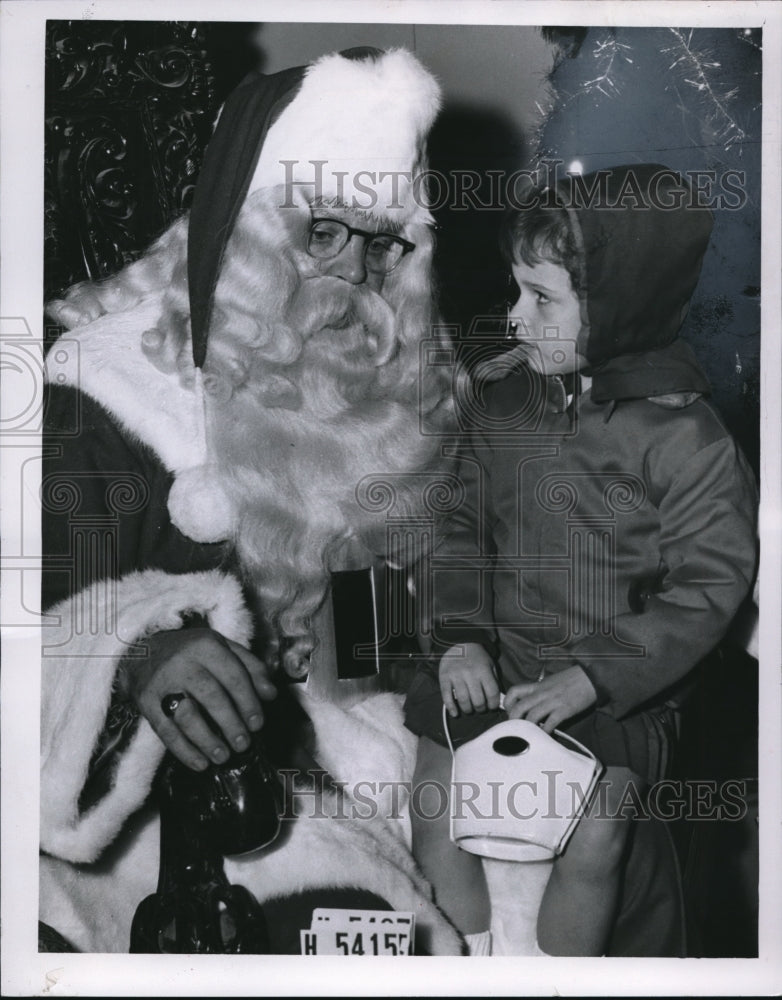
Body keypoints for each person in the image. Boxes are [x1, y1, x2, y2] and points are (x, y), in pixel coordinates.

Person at [39, 46, 464, 955]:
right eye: (321, 234)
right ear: (247, 224)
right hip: (139, 816)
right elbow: (32, 621)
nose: (352, 279)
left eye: (381, 244)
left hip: (352, 771)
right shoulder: (101, 393)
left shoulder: (386, 408)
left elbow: (380, 646)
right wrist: (142, 649)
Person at [404, 163, 758, 956]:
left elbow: (707, 588)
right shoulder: (504, 402)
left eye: (543, 299)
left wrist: (596, 674)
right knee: (436, 801)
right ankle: (472, 961)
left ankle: (562, 970)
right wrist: (462, 636)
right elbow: (456, 526)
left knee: (597, 833)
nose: (515, 317)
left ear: (620, 309)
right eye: (514, 290)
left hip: (615, 691)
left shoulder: (688, 440)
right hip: (493, 656)